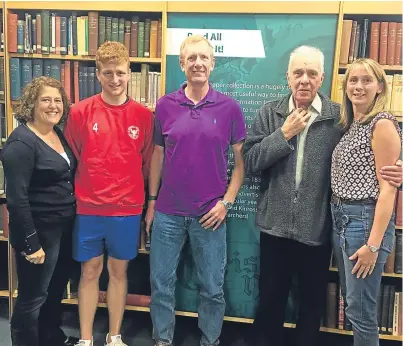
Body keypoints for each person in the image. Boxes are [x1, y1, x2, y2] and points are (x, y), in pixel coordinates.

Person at [242, 46, 402, 346]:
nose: (304, 79)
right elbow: (250, 162)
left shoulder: (338, 117)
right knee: (271, 299)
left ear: (322, 78)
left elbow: (370, 157)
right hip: (274, 227)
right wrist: (283, 135)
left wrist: (399, 170)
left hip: (318, 229)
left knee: (312, 303)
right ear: (288, 77)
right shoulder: (270, 112)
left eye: (311, 73)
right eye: (298, 73)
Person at [146, 34, 246, 346]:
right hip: (168, 214)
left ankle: (210, 340)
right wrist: (151, 203)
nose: (198, 63)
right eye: (191, 58)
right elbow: (157, 157)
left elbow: (241, 165)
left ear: (212, 64)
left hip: (210, 215)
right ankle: (162, 339)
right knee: (161, 284)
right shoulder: (165, 106)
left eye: (203, 58)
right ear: (182, 64)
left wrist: (226, 204)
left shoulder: (230, 108)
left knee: (212, 288)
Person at [64, 41, 154, 346]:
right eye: (107, 73)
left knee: (119, 271)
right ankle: (86, 339)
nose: (114, 79)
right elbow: (75, 155)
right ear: (98, 75)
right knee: (90, 272)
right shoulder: (79, 112)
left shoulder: (143, 116)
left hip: (126, 209)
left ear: (129, 73)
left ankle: (115, 337)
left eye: (119, 72)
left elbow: (145, 159)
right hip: (89, 207)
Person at [1, 77, 78, 346]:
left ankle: (50, 337)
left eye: (58, 100)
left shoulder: (56, 133)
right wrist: (31, 244)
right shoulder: (21, 143)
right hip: (39, 232)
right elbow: (16, 199)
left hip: (63, 229)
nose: (53, 105)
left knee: (54, 290)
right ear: (31, 104)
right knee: (32, 298)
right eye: (45, 100)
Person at [331, 58, 401, 346]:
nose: (358, 86)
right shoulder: (351, 124)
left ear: (380, 87)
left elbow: (388, 190)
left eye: (366, 80)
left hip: (364, 222)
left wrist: (373, 246)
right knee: (354, 303)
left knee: (361, 311)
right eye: (353, 80)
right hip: (343, 219)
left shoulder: (381, 124)